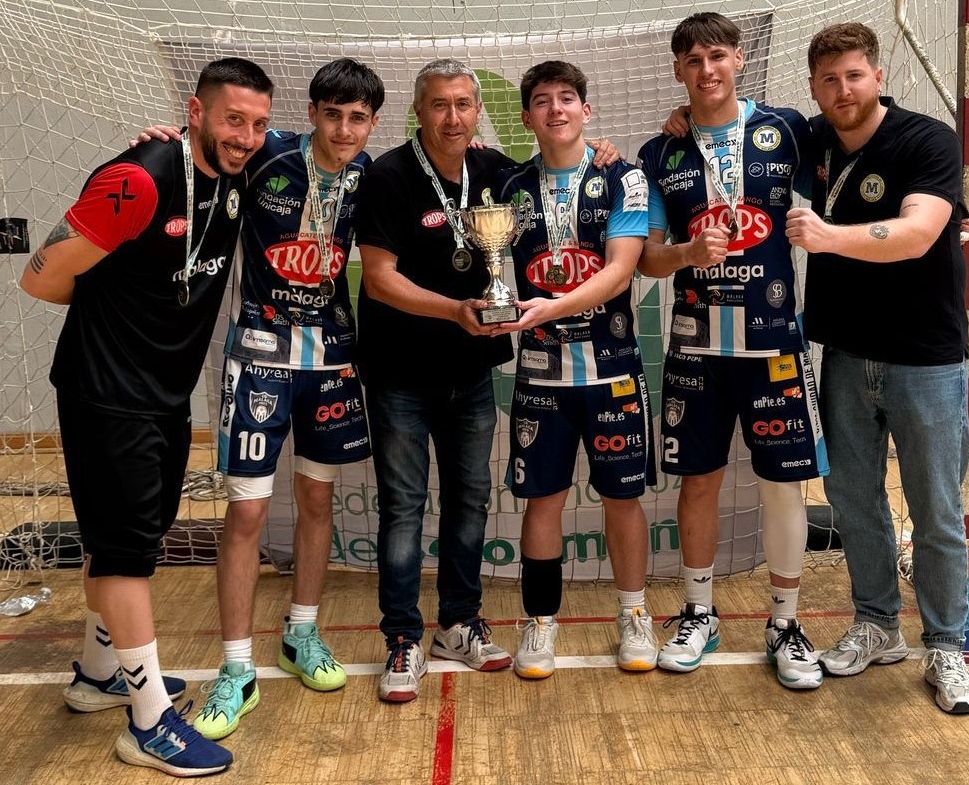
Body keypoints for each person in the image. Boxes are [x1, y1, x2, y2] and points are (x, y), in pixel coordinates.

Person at [20, 57, 273, 776]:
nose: (246, 136)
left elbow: (318, 144)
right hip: (107, 392)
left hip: (162, 393)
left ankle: (99, 673)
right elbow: (39, 278)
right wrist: (109, 312)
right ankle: (149, 723)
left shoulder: (236, 172)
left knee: (130, 536)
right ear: (194, 112)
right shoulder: (137, 181)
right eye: (232, 119)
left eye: (258, 124)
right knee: (126, 554)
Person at [131, 59, 384, 739]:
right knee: (246, 513)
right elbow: (206, 151)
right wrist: (165, 140)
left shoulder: (372, 174)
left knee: (318, 501)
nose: (344, 130)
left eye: (358, 118)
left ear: (372, 124)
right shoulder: (266, 154)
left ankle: (302, 633)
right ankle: (236, 667)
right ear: (312, 113)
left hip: (331, 361)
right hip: (260, 360)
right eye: (332, 115)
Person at [786, 21, 969, 714]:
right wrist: (680, 119)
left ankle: (947, 647)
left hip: (925, 359)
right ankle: (877, 625)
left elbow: (920, 233)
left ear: (878, 75)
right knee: (852, 501)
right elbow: (741, 132)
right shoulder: (811, 140)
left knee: (936, 508)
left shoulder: (926, 140)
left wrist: (827, 237)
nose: (844, 90)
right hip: (844, 353)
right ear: (814, 88)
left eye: (854, 75)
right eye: (830, 80)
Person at [637, 13, 828, 688]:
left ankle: (785, 622)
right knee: (698, 483)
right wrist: (687, 252)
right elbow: (647, 259)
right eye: (692, 60)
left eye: (716, 56)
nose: (706, 69)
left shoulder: (787, 129)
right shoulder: (660, 152)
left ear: (739, 60)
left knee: (784, 485)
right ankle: (699, 613)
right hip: (697, 350)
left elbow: (856, 166)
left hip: (774, 346)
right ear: (677, 71)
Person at [356, 59, 518, 702]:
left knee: (469, 500)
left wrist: (607, 149)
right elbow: (379, 279)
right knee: (402, 508)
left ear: (477, 111)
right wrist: (454, 310)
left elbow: (565, 169)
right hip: (400, 374)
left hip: (470, 373)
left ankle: (458, 623)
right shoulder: (389, 175)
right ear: (419, 112)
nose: (453, 117)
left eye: (463, 104)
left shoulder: (495, 171)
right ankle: (402, 637)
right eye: (440, 105)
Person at [492, 60, 660, 678]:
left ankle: (634, 614)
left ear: (586, 110)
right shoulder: (507, 186)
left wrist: (547, 308)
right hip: (542, 377)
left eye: (567, 98)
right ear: (526, 116)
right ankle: (539, 623)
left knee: (623, 499)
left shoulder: (623, 176)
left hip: (612, 371)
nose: (556, 109)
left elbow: (619, 272)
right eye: (542, 101)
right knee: (542, 503)